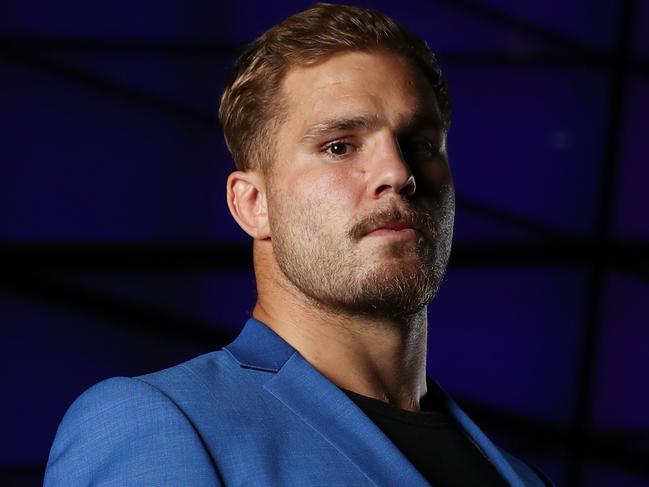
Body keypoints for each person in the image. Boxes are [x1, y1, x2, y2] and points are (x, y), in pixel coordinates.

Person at [44, 3, 552, 486]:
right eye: (338, 146)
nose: (398, 173)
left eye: (420, 145)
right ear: (252, 204)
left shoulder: (523, 478)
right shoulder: (163, 424)